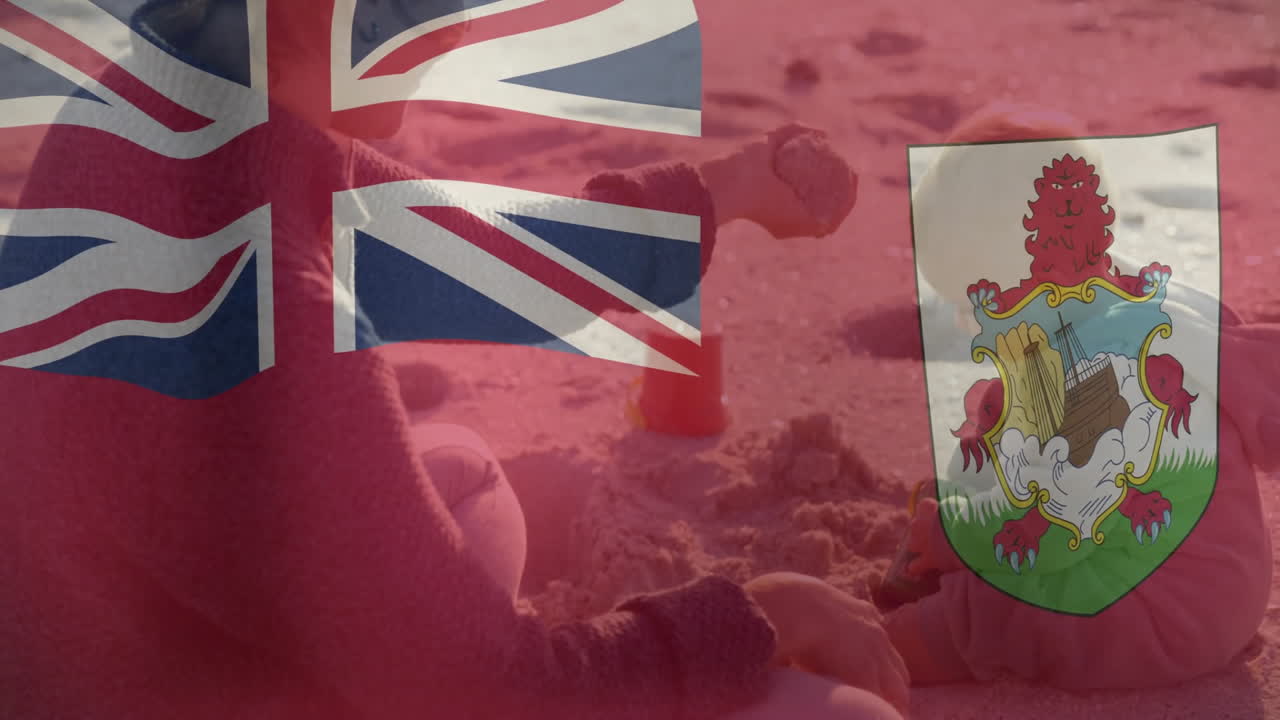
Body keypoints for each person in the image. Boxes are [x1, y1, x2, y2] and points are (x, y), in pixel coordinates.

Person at [0, 1, 907, 718]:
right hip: (191, 692)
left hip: (106, 652)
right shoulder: (270, 299)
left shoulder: (153, 111)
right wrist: (765, 612)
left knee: (467, 478)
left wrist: (731, 189)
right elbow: (489, 696)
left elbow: (484, 259)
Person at [877, 103, 1278, 689]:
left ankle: (906, 646)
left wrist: (956, 541)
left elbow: (1056, 530)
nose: (971, 328)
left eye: (975, 307)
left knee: (999, 616)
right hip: (1221, 588)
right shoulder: (1141, 299)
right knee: (984, 462)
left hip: (1158, 614)